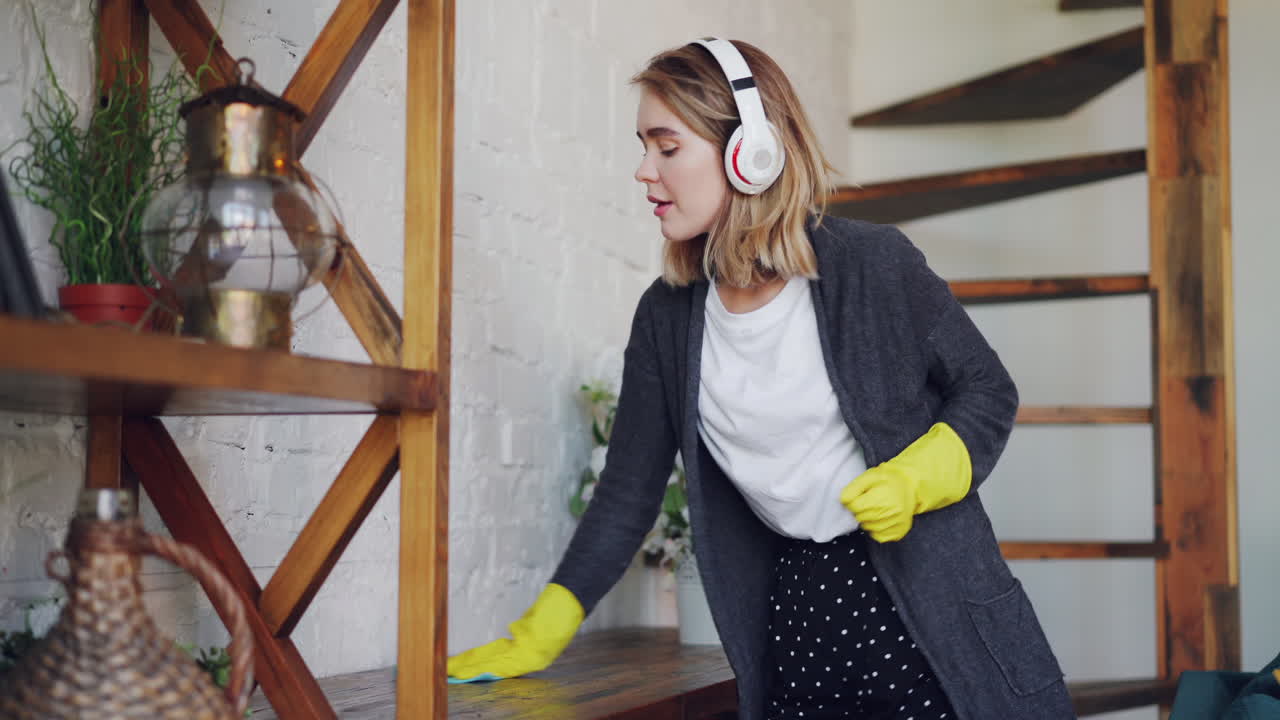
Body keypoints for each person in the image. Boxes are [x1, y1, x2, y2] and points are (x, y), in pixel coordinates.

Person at [446, 37, 1075, 720]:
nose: (643, 171)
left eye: (666, 146)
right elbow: (628, 490)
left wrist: (917, 477)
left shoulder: (875, 265)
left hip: (923, 619)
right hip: (794, 629)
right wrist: (544, 629)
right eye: (642, 146)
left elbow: (987, 390)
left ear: (751, 152)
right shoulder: (667, 318)